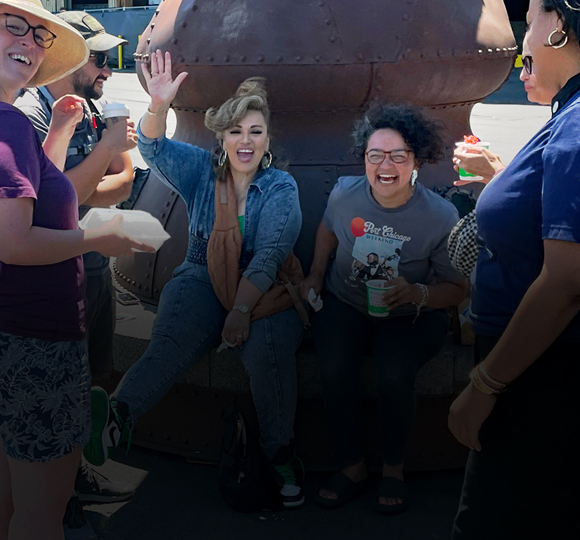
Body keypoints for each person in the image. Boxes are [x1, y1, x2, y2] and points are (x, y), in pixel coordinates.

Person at [85, 51, 306, 508]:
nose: (245, 141)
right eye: (236, 132)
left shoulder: (280, 187)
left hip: (263, 289)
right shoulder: (203, 171)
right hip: (202, 274)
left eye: (255, 132)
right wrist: (158, 105)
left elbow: (269, 256)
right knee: (169, 342)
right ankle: (116, 418)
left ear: (268, 140)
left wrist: (240, 311)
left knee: (268, 350)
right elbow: (153, 148)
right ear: (222, 138)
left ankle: (278, 453)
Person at [0, 0, 154, 537]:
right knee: (42, 511)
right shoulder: (9, 123)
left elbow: (36, 194)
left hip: (12, 334)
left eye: (39, 35)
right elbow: (14, 242)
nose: (29, 41)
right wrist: (104, 236)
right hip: (35, 340)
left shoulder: (15, 123)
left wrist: (61, 129)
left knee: (10, 501)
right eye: (12, 27)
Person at [448, 1, 580, 538]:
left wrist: (485, 384)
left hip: (539, 376)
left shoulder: (575, 127)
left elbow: (566, 282)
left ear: (560, 26)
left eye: (533, 12)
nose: (524, 26)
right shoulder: (567, 117)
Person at [301, 103, 467, 513]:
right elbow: (328, 229)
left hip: (411, 314)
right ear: (364, 158)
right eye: (375, 155)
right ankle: (352, 466)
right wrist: (316, 275)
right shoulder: (345, 193)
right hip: (345, 302)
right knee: (334, 366)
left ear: (417, 160)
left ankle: (393, 468)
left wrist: (415, 293)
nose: (385, 165)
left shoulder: (439, 215)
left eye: (398, 155)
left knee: (394, 373)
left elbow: (457, 289)